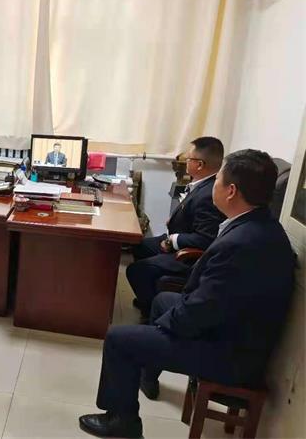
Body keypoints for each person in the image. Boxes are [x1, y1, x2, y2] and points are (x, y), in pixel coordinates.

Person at [79, 149, 295, 438]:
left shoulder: (243, 244)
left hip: (229, 355)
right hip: (231, 330)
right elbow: (213, 301)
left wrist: (163, 327)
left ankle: (123, 421)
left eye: (218, 179)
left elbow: (200, 311)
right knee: (161, 300)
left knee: (120, 339)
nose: (213, 185)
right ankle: (147, 374)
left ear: (231, 191)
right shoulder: (259, 225)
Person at [127, 136, 226, 321]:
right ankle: (148, 295)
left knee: (136, 270)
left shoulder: (209, 194)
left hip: (189, 255)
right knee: (139, 245)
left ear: (199, 165)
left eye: (188, 159)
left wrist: (172, 241)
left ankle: (154, 312)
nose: (185, 162)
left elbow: (206, 239)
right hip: (178, 238)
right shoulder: (202, 184)